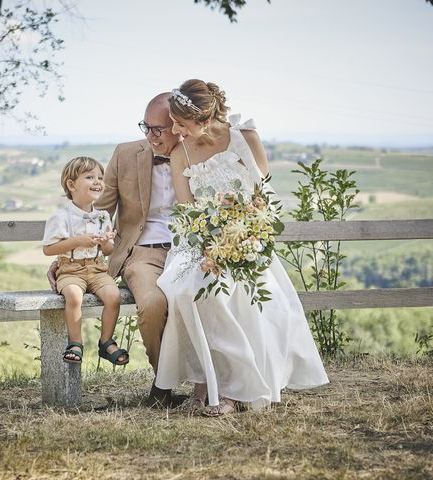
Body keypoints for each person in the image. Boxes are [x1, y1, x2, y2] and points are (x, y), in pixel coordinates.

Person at [155, 79, 329, 417]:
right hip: (199, 244)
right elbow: (188, 210)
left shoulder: (244, 138)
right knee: (189, 290)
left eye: (180, 123)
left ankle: (234, 390)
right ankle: (206, 379)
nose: (174, 130)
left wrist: (246, 237)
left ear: (204, 120)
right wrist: (210, 247)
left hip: (247, 239)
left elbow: (263, 197)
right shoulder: (180, 154)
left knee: (231, 293)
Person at [49, 93, 182, 406]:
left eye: (158, 129)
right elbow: (97, 214)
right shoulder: (125, 154)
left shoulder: (195, 152)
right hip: (143, 253)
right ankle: (163, 385)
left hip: (190, 251)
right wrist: (66, 259)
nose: (150, 136)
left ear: (179, 126)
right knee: (151, 304)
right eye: (145, 127)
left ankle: (211, 383)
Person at [42, 156, 129, 366]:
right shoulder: (61, 217)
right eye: (90, 177)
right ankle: (75, 343)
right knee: (73, 295)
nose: (98, 181)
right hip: (70, 271)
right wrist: (76, 241)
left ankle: (106, 342)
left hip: (97, 269)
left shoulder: (103, 217)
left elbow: (108, 250)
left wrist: (107, 242)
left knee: (113, 295)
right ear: (71, 185)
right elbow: (48, 249)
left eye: (100, 177)